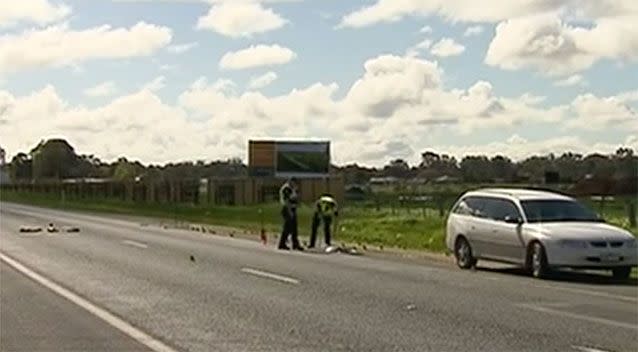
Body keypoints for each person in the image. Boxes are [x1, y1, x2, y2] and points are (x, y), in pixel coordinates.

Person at [278, 177, 303, 250]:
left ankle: (295, 244)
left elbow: (295, 199)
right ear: (291, 182)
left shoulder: (292, 189)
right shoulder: (287, 189)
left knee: (294, 228)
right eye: (294, 183)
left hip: (292, 209)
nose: (295, 185)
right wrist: (290, 212)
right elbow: (287, 202)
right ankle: (282, 244)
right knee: (287, 228)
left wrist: (297, 204)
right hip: (287, 209)